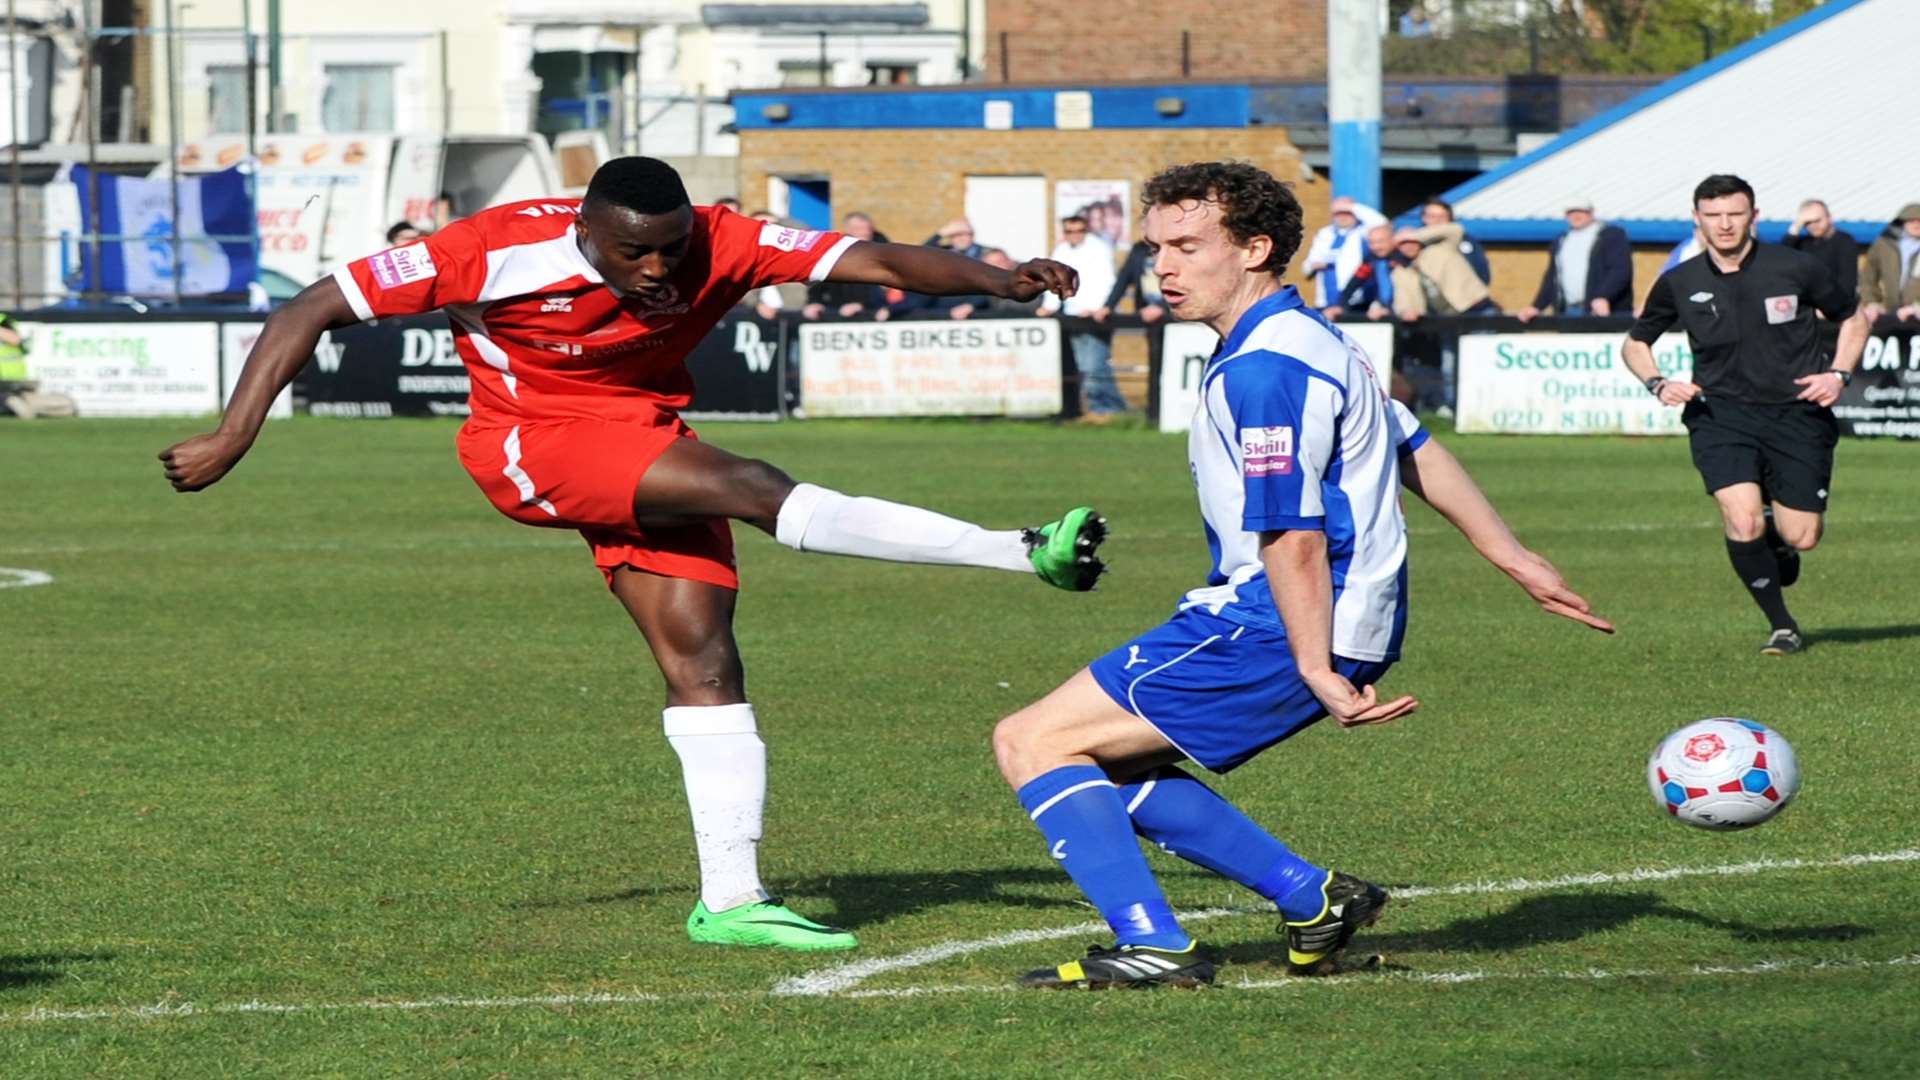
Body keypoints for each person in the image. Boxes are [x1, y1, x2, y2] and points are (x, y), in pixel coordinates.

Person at [158, 156, 1108, 953]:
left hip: (643, 430)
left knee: (703, 656)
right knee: (753, 484)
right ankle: (1023, 552)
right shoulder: (488, 250)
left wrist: (997, 278)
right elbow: (310, 308)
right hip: (532, 442)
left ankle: (731, 901)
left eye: (672, 248)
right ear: (585, 230)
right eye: (634, 251)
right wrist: (235, 434)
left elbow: (870, 258)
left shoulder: (722, 239)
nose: (659, 269)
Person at [990, 161, 1613, 990]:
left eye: (1186, 246)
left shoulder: (1264, 370)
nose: (1164, 267)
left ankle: (1154, 943)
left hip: (1282, 618)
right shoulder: (1310, 337)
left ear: (1255, 248)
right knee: (1102, 758)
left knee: (1032, 741)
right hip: (1303, 614)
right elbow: (1410, 441)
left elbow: (1292, 533)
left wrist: (1315, 662)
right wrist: (1509, 554)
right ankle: (1311, 898)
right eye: (1155, 248)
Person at [1621, 174, 1868, 656]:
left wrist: (1838, 374)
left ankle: (1781, 532)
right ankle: (1782, 626)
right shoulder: (1680, 281)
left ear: (1754, 216)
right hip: (1719, 415)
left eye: (1735, 214)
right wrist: (1658, 382)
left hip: (1797, 414)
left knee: (1804, 536)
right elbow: (1635, 343)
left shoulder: (1797, 267)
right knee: (1742, 521)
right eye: (1713, 216)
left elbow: (1854, 318)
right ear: (1697, 219)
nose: (1725, 224)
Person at [1039, 214, 1125, 419]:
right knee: (1084, 366)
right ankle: (1107, 409)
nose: (1075, 235)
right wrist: (1048, 306)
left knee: (1094, 364)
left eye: (1079, 231)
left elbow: (1106, 281)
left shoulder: (1098, 249)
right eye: (1070, 231)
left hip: (1095, 316)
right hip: (1072, 315)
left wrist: (1098, 307)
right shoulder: (1061, 250)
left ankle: (1106, 409)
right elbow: (1055, 282)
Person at [1517, 196, 1632, 322]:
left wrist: (1603, 296)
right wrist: (1537, 306)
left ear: (1591, 213)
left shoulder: (1611, 235)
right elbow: (1553, 277)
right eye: (1571, 212)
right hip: (1568, 310)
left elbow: (1620, 270)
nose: (1576, 216)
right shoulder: (1562, 240)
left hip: (1601, 311)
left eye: (1581, 211)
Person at [1387, 223, 1498, 319]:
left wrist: (1415, 234)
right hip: (1446, 319)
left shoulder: (1441, 248)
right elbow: (1402, 297)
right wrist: (1405, 311)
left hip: (1476, 307)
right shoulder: (1402, 271)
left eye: (1412, 242)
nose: (1408, 247)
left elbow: (1456, 230)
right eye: (1403, 244)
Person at [1303, 196, 1387, 308]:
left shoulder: (1363, 231)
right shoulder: (1325, 233)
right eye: (1338, 213)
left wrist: (1351, 206)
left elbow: (1381, 223)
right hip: (1326, 301)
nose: (1342, 217)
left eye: (1347, 212)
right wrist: (1314, 265)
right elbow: (1307, 266)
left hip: (1357, 300)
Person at [802, 212, 888, 319]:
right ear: (848, 230)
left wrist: (863, 305)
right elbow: (822, 277)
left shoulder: (884, 253)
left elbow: (884, 290)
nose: (865, 232)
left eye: (868, 228)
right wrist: (814, 302)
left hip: (873, 313)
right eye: (859, 228)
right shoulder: (835, 251)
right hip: (837, 312)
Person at [1783, 199, 1859, 304]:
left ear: (1829, 218)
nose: (1813, 225)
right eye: (1807, 222)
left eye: (1817, 220)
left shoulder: (1844, 241)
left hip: (1835, 309)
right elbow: (1781, 258)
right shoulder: (1803, 243)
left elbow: (1847, 283)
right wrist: (1796, 227)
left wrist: (1831, 309)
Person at [1857, 202, 1920, 324]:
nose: (1917, 224)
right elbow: (1868, 276)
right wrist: (1872, 303)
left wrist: (1917, 306)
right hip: (1885, 312)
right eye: (1912, 220)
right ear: (1902, 222)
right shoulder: (1884, 244)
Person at [1324, 224, 1397, 320]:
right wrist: (1339, 306)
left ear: (1393, 240)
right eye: (1371, 243)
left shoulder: (1404, 259)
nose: (1376, 247)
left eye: (1380, 241)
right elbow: (1351, 286)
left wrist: (1391, 309)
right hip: (1380, 310)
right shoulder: (1370, 261)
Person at [1419, 198, 1489, 285]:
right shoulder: (1414, 243)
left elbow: (1481, 273)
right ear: (1424, 218)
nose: (1437, 220)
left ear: (1450, 218)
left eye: (1442, 216)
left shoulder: (1465, 240)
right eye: (1432, 216)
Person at [1101, 238, 1168, 326]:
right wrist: (1108, 306)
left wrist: (1162, 307)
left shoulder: (1172, 247)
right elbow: (1123, 279)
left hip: (1171, 313)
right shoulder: (1138, 249)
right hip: (1146, 313)